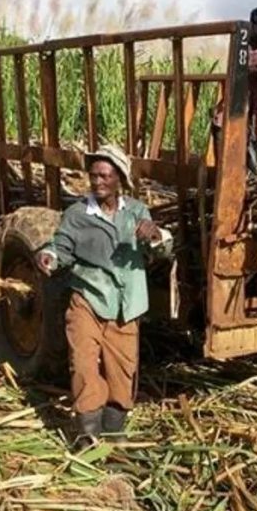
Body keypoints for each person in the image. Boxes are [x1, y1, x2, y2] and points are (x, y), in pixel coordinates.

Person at [35, 145, 173, 447]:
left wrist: (155, 236)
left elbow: (162, 250)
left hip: (127, 304)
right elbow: (61, 247)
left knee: (122, 370)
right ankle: (88, 434)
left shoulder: (136, 212)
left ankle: (114, 432)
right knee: (83, 364)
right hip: (88, 298)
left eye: (105, 176)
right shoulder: (77, 215)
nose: (98, 182)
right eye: (94, 176)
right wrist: (49, 256)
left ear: (119, 179)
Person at [212, 5, 257, 176]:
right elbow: (250, 63)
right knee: (229, 175)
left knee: (255, 174)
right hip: (231, 124)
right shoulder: (243, 49)